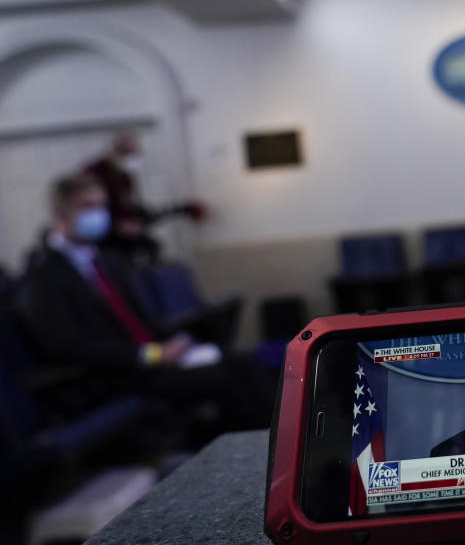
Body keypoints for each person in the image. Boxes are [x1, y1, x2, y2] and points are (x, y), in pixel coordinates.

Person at [15, 173, 272, 434]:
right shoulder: (42, 276)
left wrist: (173, 343)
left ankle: (282, 452)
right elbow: (67, 347)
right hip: (114, 375)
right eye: (87, 207)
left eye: (102, 206)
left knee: (244, 363)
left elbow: (140, 320)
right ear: (60, 215)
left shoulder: (108, 261)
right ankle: (260, 459)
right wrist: (153, 354)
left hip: (151, 360)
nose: (99, 214)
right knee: (227, 378)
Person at [85, 132, 206, 264]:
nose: (132, 158)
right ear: (114, 151)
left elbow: (128, 206)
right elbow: (87, 208)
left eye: (135, 154)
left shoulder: (125, 177)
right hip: (105, 237)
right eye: (127, 153)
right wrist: (116, 225)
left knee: (152, 246)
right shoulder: (95, 172)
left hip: (126, 235)